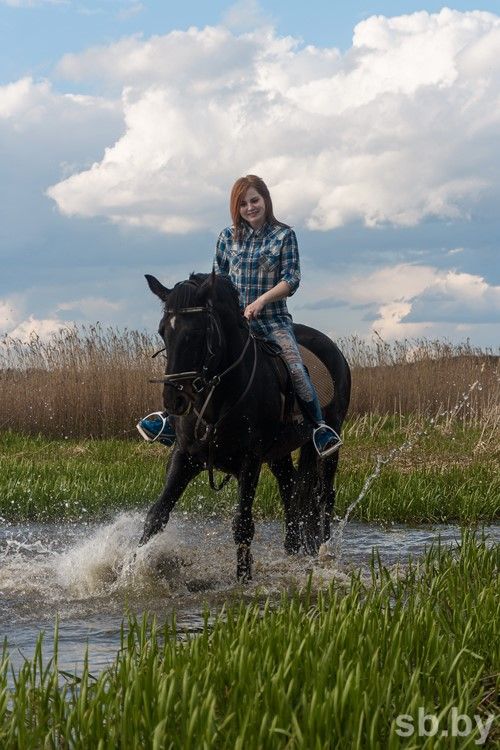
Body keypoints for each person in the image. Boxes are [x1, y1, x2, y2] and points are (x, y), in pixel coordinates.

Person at [137, 175, 342, 457]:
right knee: (197, 362)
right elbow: (216, 281)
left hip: (272, 322)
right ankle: (170, 420)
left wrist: (261, 301)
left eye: (254, 200)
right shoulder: (226, 237)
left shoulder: (284, 236)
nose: (250, 207)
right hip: (233, 325)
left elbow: (291, 279)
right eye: (243, 203)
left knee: (296, 369)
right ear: (237, 207)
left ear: (266, 200)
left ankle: (318, 428)